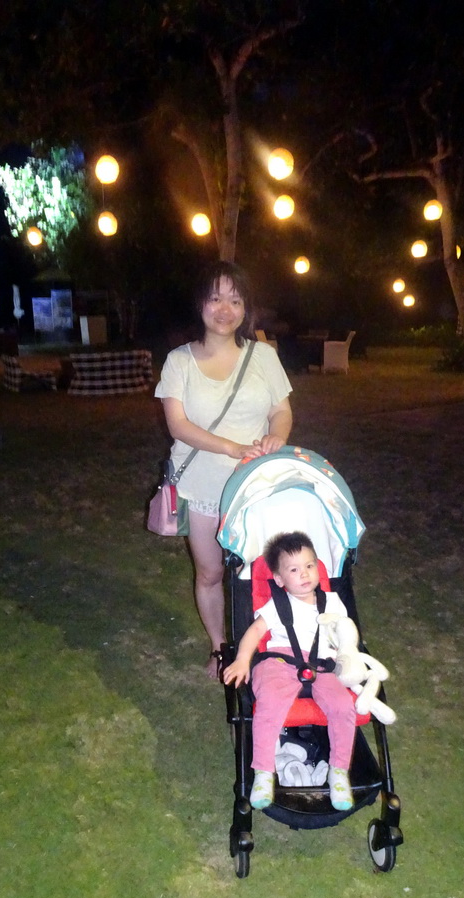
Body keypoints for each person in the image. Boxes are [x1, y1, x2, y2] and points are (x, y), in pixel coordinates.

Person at [155, 261, 293, 677]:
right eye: (216, 298)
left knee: (264, 571)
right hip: (203, 486)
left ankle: (265, 648)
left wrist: (278, 437)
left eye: (235, 300)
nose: (225, 308)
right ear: (200, 303)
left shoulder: (263, 356)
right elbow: (177, 425)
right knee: (211, 572)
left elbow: (281, 411)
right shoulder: (178, 361)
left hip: (254, 484)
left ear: (245, 308)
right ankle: (219, 647)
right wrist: (232, 446)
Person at [222, 531, 357, 812]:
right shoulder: (278, 603)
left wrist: (351, 659)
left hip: (323, 663)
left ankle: (339, 771)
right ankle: (263, 772)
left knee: (344, 706)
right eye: (294, 569)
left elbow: (346, 636)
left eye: (309, 566)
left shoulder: (332, 602)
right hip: (280, 661)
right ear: (280, 579)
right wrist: (243, 659)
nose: (304, 574)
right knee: (270, 702)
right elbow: (255, 631)